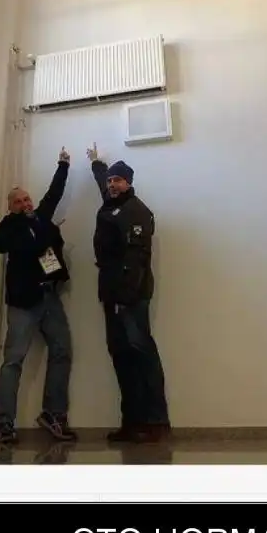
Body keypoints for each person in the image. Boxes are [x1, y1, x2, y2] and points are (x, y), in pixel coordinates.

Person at [0, 147, 76, 444]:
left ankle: (53, 414)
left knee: (62, 351)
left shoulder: (40, 218)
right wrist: (15, 221)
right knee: (13, 360)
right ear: (10, 207)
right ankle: (4, 422)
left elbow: (54, 194)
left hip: (49, 297)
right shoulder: (10, 226)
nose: (25, 203)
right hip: (23, 302)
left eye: (27, 199)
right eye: (18, 201)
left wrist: (63, 164)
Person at [86, 143, 171, 444]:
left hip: (130, 296)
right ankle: (132, 423)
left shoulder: (136, 211)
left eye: (117, 180)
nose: (112, 184)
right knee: (122, 358)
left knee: (142, 355)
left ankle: (155, 423)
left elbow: (137, 259)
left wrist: (125, 297)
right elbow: (104, 188)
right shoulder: (114, 206)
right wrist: (97, 165)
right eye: (110, 180)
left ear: (129, 183)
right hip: (112, 295)